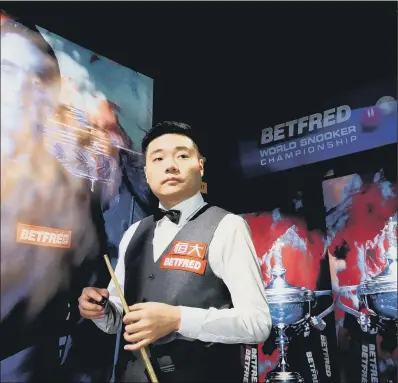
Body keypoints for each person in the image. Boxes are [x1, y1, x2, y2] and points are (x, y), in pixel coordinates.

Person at [78, 121, 272, 382]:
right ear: (146, 173)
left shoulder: (228, 226)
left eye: (182, 155)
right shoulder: (134, 233)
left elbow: (257, 324)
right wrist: (102, 310)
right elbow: (118, 320)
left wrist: (178, 319)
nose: (170, 165)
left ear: (200, 166)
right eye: (158, 158)